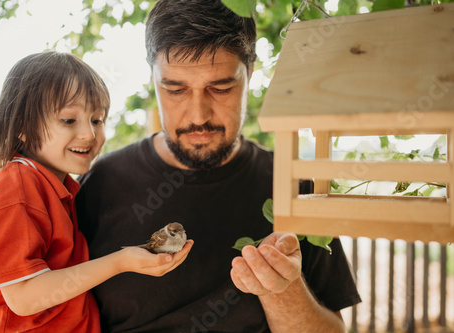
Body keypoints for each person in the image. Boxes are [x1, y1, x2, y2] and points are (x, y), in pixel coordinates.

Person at [76, 0, 361, 331]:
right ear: (153, 79)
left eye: (221, 87)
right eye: (175, 89)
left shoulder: (295, 184)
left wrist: (281, 289)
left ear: (249, 74)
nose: (199, 116)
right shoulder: (99, 185)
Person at [0, 51, 192, 332]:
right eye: (68, 121)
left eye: (97, 120)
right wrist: (120, 262)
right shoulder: (16, 190)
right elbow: (24, 298)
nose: (89, 134)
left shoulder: (57, 185)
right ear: (23, 126)